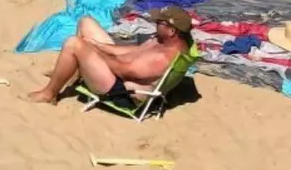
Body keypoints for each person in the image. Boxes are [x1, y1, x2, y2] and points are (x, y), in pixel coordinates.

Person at [28, 8, 192, 108]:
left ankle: (49, 95)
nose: (156, 23)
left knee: (74, 43)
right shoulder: (164, 41)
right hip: (119, 70)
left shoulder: (163, 58)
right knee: (85, 22)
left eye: (160, 23)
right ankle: (72, 72)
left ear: (172, 31)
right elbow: (134, 51)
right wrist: (100, 46)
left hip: (120, 91)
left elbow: (122, 70)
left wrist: (93, 51)